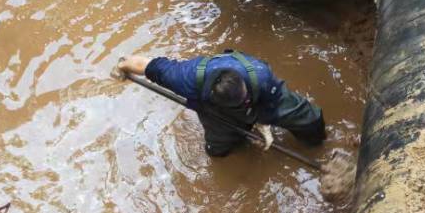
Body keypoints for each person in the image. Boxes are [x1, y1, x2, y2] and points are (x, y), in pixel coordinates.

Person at [116, 50, 326, 158]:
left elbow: (267, 103)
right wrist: (122, 65)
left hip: (263, 95)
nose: (244, 104)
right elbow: (146, 65)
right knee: (218, 151)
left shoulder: (261, 75)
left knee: (310, 119)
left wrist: (263, 122)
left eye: (245, 100)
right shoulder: (185, 78)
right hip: (216, 113)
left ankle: (317, 141)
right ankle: (232, 135)